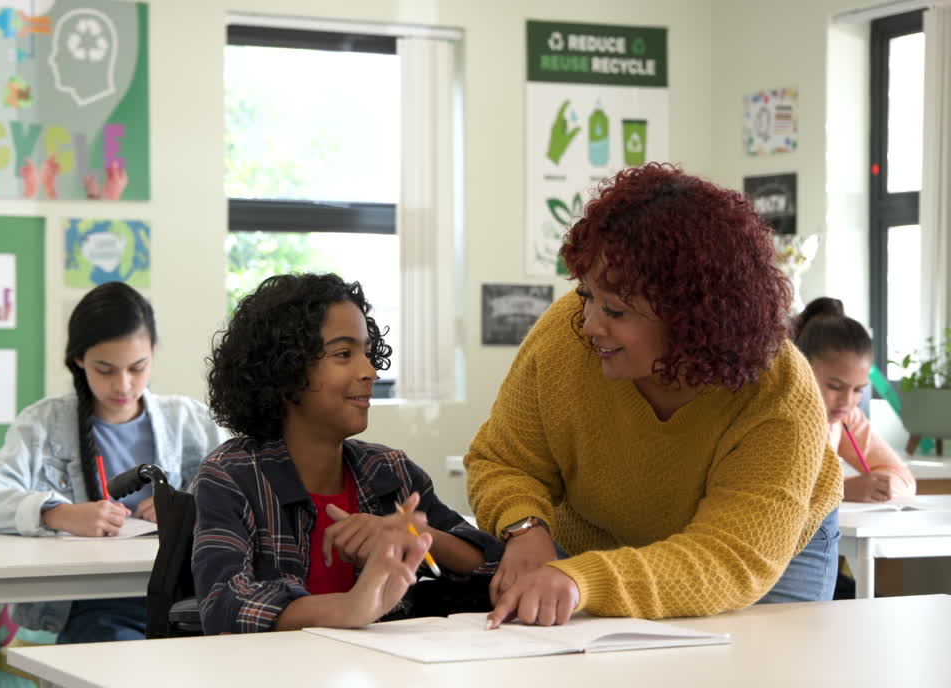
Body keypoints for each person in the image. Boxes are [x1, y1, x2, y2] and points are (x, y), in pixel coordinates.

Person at [466, 163, 842, 628]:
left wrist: (584, 579)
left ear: (694, 320)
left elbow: (728, 558)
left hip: (763, 552)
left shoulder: (779, 391)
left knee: (755, 668)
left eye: (616, 310)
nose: (589, 323)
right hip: (595, 541)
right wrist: (524, 528)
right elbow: (504, 460)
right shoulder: (564, 338)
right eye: (587, 294)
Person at [0, 282, 227, 688]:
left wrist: (187, 508)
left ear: (153, 352)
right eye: (105, 369)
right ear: (79, 360)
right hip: (92, 609)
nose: (124, 384)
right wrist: (58, 514)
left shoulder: (190, 421)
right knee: (128, 685)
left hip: (186, 603)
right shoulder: (43, 423)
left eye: (138, 367)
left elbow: (240, 494)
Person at [192, 273, 502, 634]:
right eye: (343, 354)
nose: (370, 371)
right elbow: (224, 605)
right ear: (285, 371)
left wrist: (417, 536)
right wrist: (352, 607)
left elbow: (497, 568)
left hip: (385, 667)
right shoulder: (232, 475)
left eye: (368, 353)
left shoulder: (391, 472)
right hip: (277, 668)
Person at [792, 297, 915, 503]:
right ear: (803, 370)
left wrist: (880, 487)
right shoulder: (779, 417)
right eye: (835, 386)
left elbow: (904, 479)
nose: (847, 401)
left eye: (858, 390)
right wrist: (842, 490)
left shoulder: (845, 417)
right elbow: (773, 489)